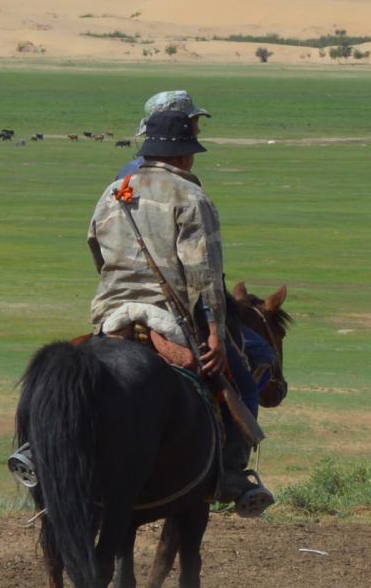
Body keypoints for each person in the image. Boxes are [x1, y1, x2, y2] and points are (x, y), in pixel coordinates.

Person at [85, 96, 275, 516]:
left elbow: (95, 246)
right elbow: (204, 275)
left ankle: (33, 452)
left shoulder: (114, 191)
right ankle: (231, 476)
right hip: (167, 317)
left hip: (111, 314)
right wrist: (214, 337)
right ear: (185, 154)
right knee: (240, 383)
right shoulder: (190, 196)